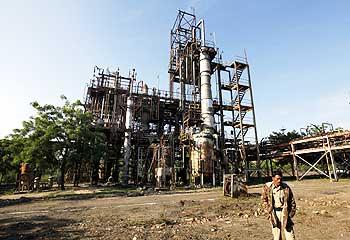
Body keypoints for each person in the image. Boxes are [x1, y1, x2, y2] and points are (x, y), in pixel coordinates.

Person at [261, 169, 296, 240]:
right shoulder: (267, 187)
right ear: (273, 178)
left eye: (280, 179)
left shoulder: (286, 187)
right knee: (277, 236)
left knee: (290, 236)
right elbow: (264, 200)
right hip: (274, 213)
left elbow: (292, 201)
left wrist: (291, 213)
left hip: (285, 213)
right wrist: (268, 212)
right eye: (277, 179)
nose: (279, 181)